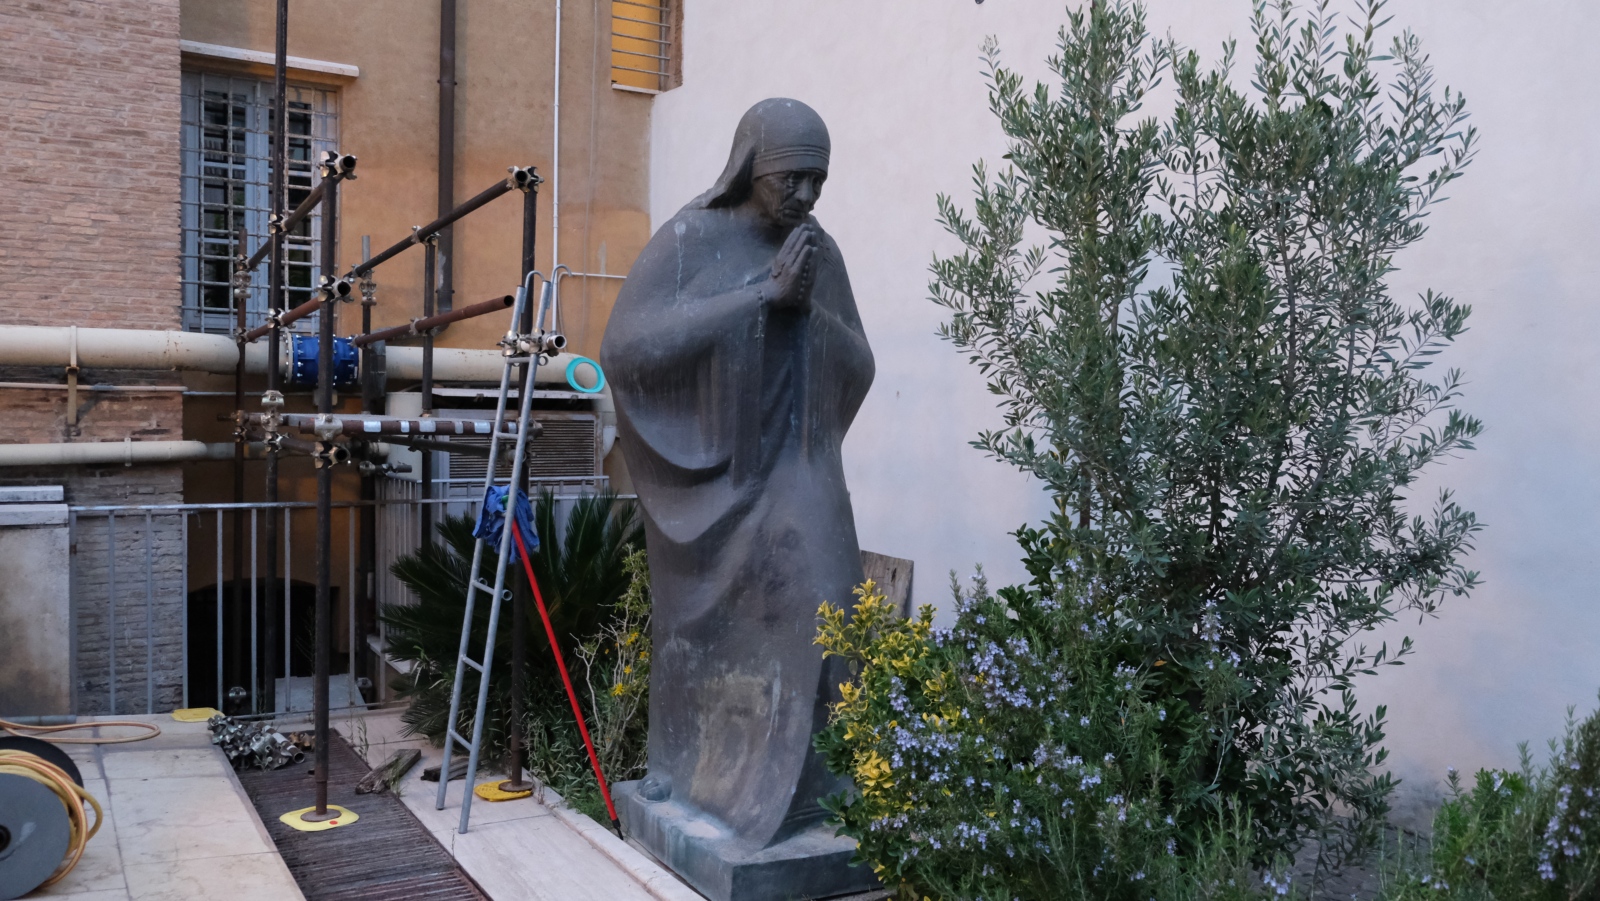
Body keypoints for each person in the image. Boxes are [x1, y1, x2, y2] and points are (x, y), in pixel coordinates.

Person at [601, 98, 875, 851]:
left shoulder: (818, 248)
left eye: (818, 182)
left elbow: (859, 361)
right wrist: (760, 299)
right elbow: (628, 348)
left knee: (835, 597)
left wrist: (804, 312)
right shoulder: (691, 238)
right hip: (712, 476)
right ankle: (693, 774)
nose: (807, 198)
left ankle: (833, 787)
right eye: (792, 179)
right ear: (750, 165)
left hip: (796, 463)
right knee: (697, 629)